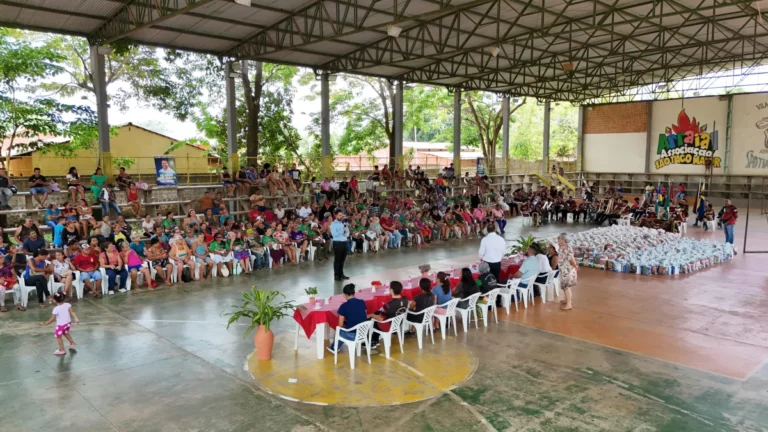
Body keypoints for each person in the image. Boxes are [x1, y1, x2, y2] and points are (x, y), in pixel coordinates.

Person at [327, 283, 367, 354]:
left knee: (339, 331)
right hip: (363, 332)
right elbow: (364, 315)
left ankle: (334, 348)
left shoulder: (343, 306)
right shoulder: (362, 302)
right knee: (345, 328)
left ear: (345, 294)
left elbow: (340, 324)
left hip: (352, 335)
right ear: (353, 293)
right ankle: (335, 347)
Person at [369, 281, 409, 348]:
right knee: (377, 313)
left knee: (373, 320)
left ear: (391, 290)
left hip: (388, 326)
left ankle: (373, 341)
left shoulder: (388, 305)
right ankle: (375, 340)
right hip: (398, 323)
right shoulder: (405, 300)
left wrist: (371, 315)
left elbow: (380, 318)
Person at [40, 291, 79, 356]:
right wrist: (76, 318)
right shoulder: (68, 305)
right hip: (68, 323)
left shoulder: (56, 309)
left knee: (58, 336)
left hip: (61, 325)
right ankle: (72, 343)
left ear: (55, 300)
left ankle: (62, 350)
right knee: (65, 332)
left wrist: (46, 323)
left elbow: (52, 319)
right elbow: (72, 312)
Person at [556, 234, 578, 311]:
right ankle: (567, 300)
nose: (557, 239)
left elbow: (571, 258)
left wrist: (575, 265)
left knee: (566, 287)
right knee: (567, 286)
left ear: (563, 240)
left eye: (559, 239)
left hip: (567, 269)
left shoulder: (567, 248)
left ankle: (569, 304)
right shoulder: (562, 247)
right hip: (564, 269)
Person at [331, 210, 350, 281]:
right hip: (337, 243)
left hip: (344, 242)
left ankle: (341, 274)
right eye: (339, 215)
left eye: (342, 215)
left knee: (342, 260)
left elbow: (347, 232)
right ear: (335, 215)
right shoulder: (333, 224)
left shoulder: (344, 223)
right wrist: (342, 230)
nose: (341, 216)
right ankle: (336, 275)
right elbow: (334, 234)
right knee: (337, 260)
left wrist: (346, 234)